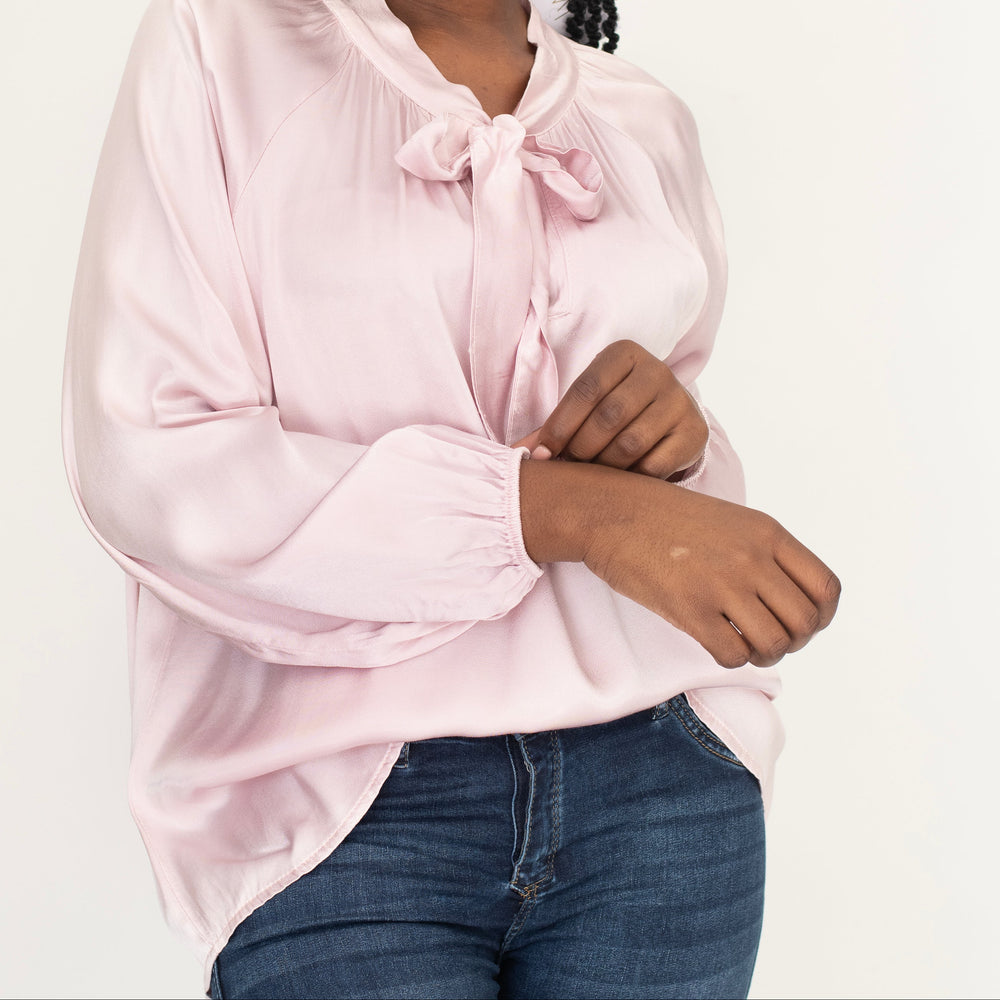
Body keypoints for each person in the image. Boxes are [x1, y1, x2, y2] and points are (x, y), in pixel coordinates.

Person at [61, 0, 840, 997]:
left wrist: (674, 444)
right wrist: (565, 511)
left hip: (661, 785)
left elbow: (670, 466)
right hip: (340, 807)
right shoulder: (222, 41)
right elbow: (152, 459)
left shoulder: (642, 118)